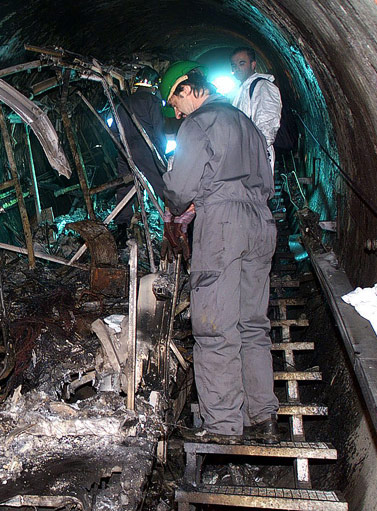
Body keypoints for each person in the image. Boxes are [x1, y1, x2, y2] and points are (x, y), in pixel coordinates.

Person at [158, 61, 279, 444]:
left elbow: (180, 188)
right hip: (262, 223)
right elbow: (263, 179)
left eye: (175, 100)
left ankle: (224, 425)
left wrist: (176, 206)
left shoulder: (199, 124)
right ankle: (263, 414)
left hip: (224, 227)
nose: (176, 112)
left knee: (214, 326)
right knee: (252, 325)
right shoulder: (246, 124)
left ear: (191, 87)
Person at [112, 66, 166, 240]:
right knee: (162, 184)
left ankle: (121, 228)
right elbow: (158, 130)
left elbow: (114, 129)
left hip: (124, 149)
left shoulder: (123, 101)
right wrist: (162, 153)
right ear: (154, 85)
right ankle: (176, 218)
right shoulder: (152, 101)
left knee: (125, 186)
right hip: (145, 148)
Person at [230, 47, 282, 170]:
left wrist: (253, 154)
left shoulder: (263, 86)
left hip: (255, 157)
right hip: (243, 156)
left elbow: (267, 125)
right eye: (233, 65)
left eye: (241, 63)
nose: (236, 68)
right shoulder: (242, 89)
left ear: (253, 65)